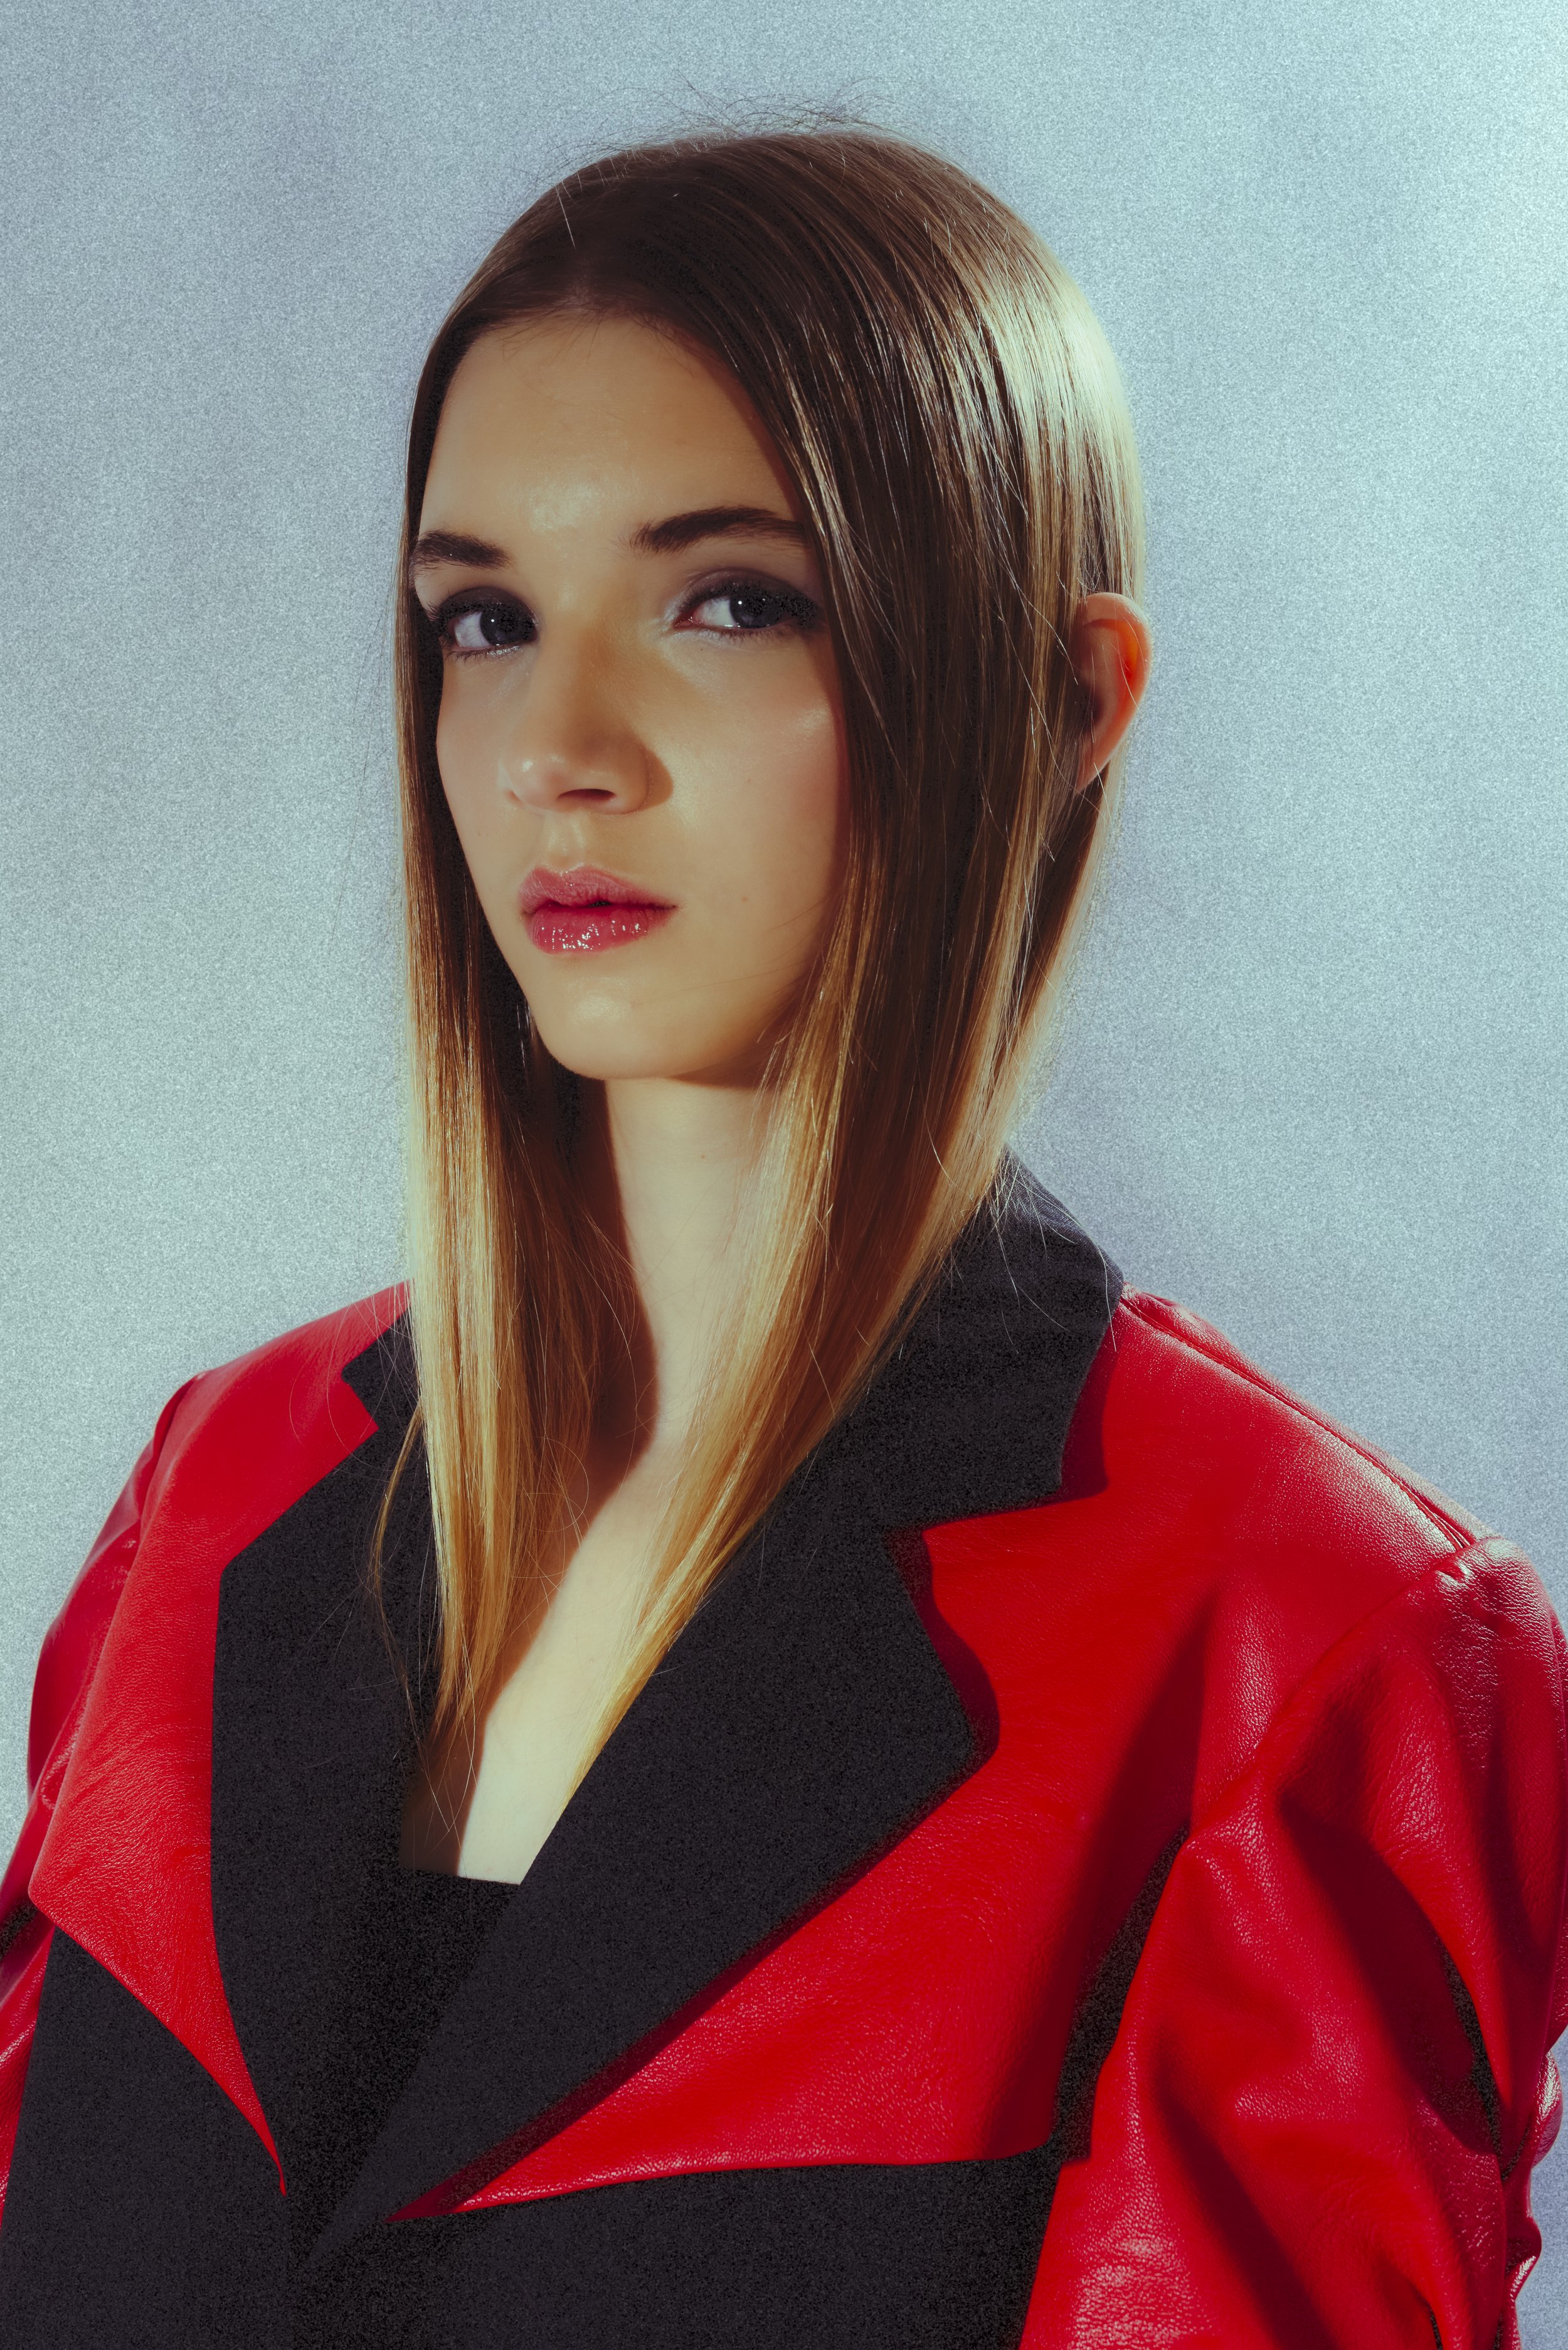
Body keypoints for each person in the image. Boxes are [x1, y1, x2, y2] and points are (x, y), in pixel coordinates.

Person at [0, 122, 1562, 2350]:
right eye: (483, 618)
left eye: (730, 597)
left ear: (1060, 700)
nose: (558, 744)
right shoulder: (217, 1487)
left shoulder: (1297, 1655)